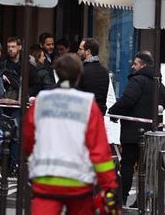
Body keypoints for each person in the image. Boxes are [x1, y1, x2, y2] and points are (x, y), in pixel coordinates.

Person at [23, 54, 118, 214]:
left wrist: (31, 158)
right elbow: (100, 152)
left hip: (46, 180)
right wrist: (109, 186)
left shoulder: (41, 101)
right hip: (79, 183)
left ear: (57, 73)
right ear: (79, 75)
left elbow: (28, 140)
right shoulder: (88, 104)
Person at [108, 52, 165, 207]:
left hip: (133, 133)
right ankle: (142, 201)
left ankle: (121, 199)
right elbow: (163, 105)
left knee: (127, 165)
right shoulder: (160, 84)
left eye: (135, 63)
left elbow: (127, 100)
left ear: (143, 65)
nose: (132, 66)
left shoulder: (137, 80)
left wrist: (113, 112)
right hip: (151, 134)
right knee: (147, 168)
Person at [77, 38, 110, 114]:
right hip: (99, 114)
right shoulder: (104, 71)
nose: (78, 52)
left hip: (84, 113)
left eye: (80, 49)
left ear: (88, 51)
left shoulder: (81, 70)